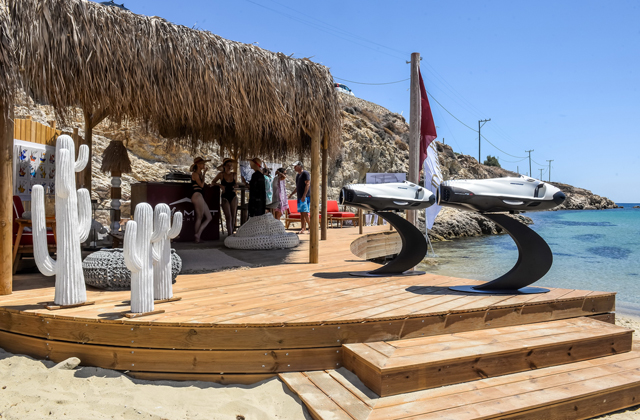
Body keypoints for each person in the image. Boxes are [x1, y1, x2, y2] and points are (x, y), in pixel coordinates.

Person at [212, 157, 238, 235]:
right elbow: (213, 182)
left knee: (233, 215)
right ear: (224, 166)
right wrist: (220, 185)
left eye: (230, 165)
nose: (229, 167)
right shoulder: (221, 175)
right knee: (228, 216)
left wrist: (236, 186)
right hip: (225, 196)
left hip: (233, 195)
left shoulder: (234, 174)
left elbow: (236, 184)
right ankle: (229, 234)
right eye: (228, 165)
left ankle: (232, 233)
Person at [190, 157, 212, 243]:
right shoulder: (195, 174)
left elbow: (202, 184)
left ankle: (198, 234)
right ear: (198, 165)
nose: (204, 165)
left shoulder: (199, 173)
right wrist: (205, 174)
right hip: (197, 195)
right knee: (199, 217)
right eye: (203, 163)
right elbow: (201, 185)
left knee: (209, 217)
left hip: (200, 196)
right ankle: (197, 237)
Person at [288, 161, 310, 234]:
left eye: (295, 166)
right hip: (299, 197)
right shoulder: (297, 176)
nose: (294, 168)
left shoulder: (305, 173)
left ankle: (311, 227)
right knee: (301, 213)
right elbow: (297, 187)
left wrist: (304, 195)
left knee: (305, 212)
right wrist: (291, 194)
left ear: (300, 166)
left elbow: (307, 184)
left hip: (305, 196)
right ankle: (303, 228)